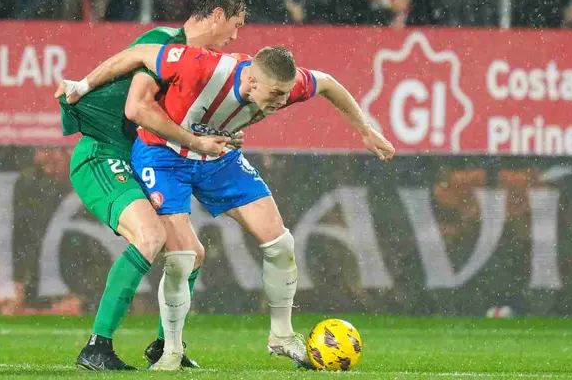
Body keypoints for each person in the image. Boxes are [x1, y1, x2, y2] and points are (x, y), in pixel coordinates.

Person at [63, 42, 395, 371]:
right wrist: (84, 84)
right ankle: (171, 352)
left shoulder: (283, 85)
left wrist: (365, 129)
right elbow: (138, 53)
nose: (282, 102)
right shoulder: (202, 66)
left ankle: (281, 335)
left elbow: (328, 83)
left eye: (286, 93)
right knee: (182, 259)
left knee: (280, 243)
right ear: (252, 82)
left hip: (216, 158)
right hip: (163, 156)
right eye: (276, 94)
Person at [55, 0, 246, 371]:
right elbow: (137, 108)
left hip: (135, 160)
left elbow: (183, 122)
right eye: (237, 24)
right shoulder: (166, 43)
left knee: (192, 254)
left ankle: (166, 346)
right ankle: (97, 347)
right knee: (151, 236)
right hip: (101, 155)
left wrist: (220, 136)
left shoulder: (197, 68)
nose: (236, 35)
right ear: (217, 16)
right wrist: (83, 85)